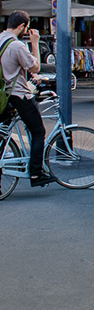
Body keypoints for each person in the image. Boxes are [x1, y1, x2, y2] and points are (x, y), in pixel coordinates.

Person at [1, 11, 54, 187]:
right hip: (18, 95)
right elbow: (36, 67)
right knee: (38, 131)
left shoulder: (1, 39)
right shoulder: (17, 46)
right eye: (27, 27)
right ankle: (36, 174)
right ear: (22, 26)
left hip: (3, 96)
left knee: (3, 136)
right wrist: (35, 43)